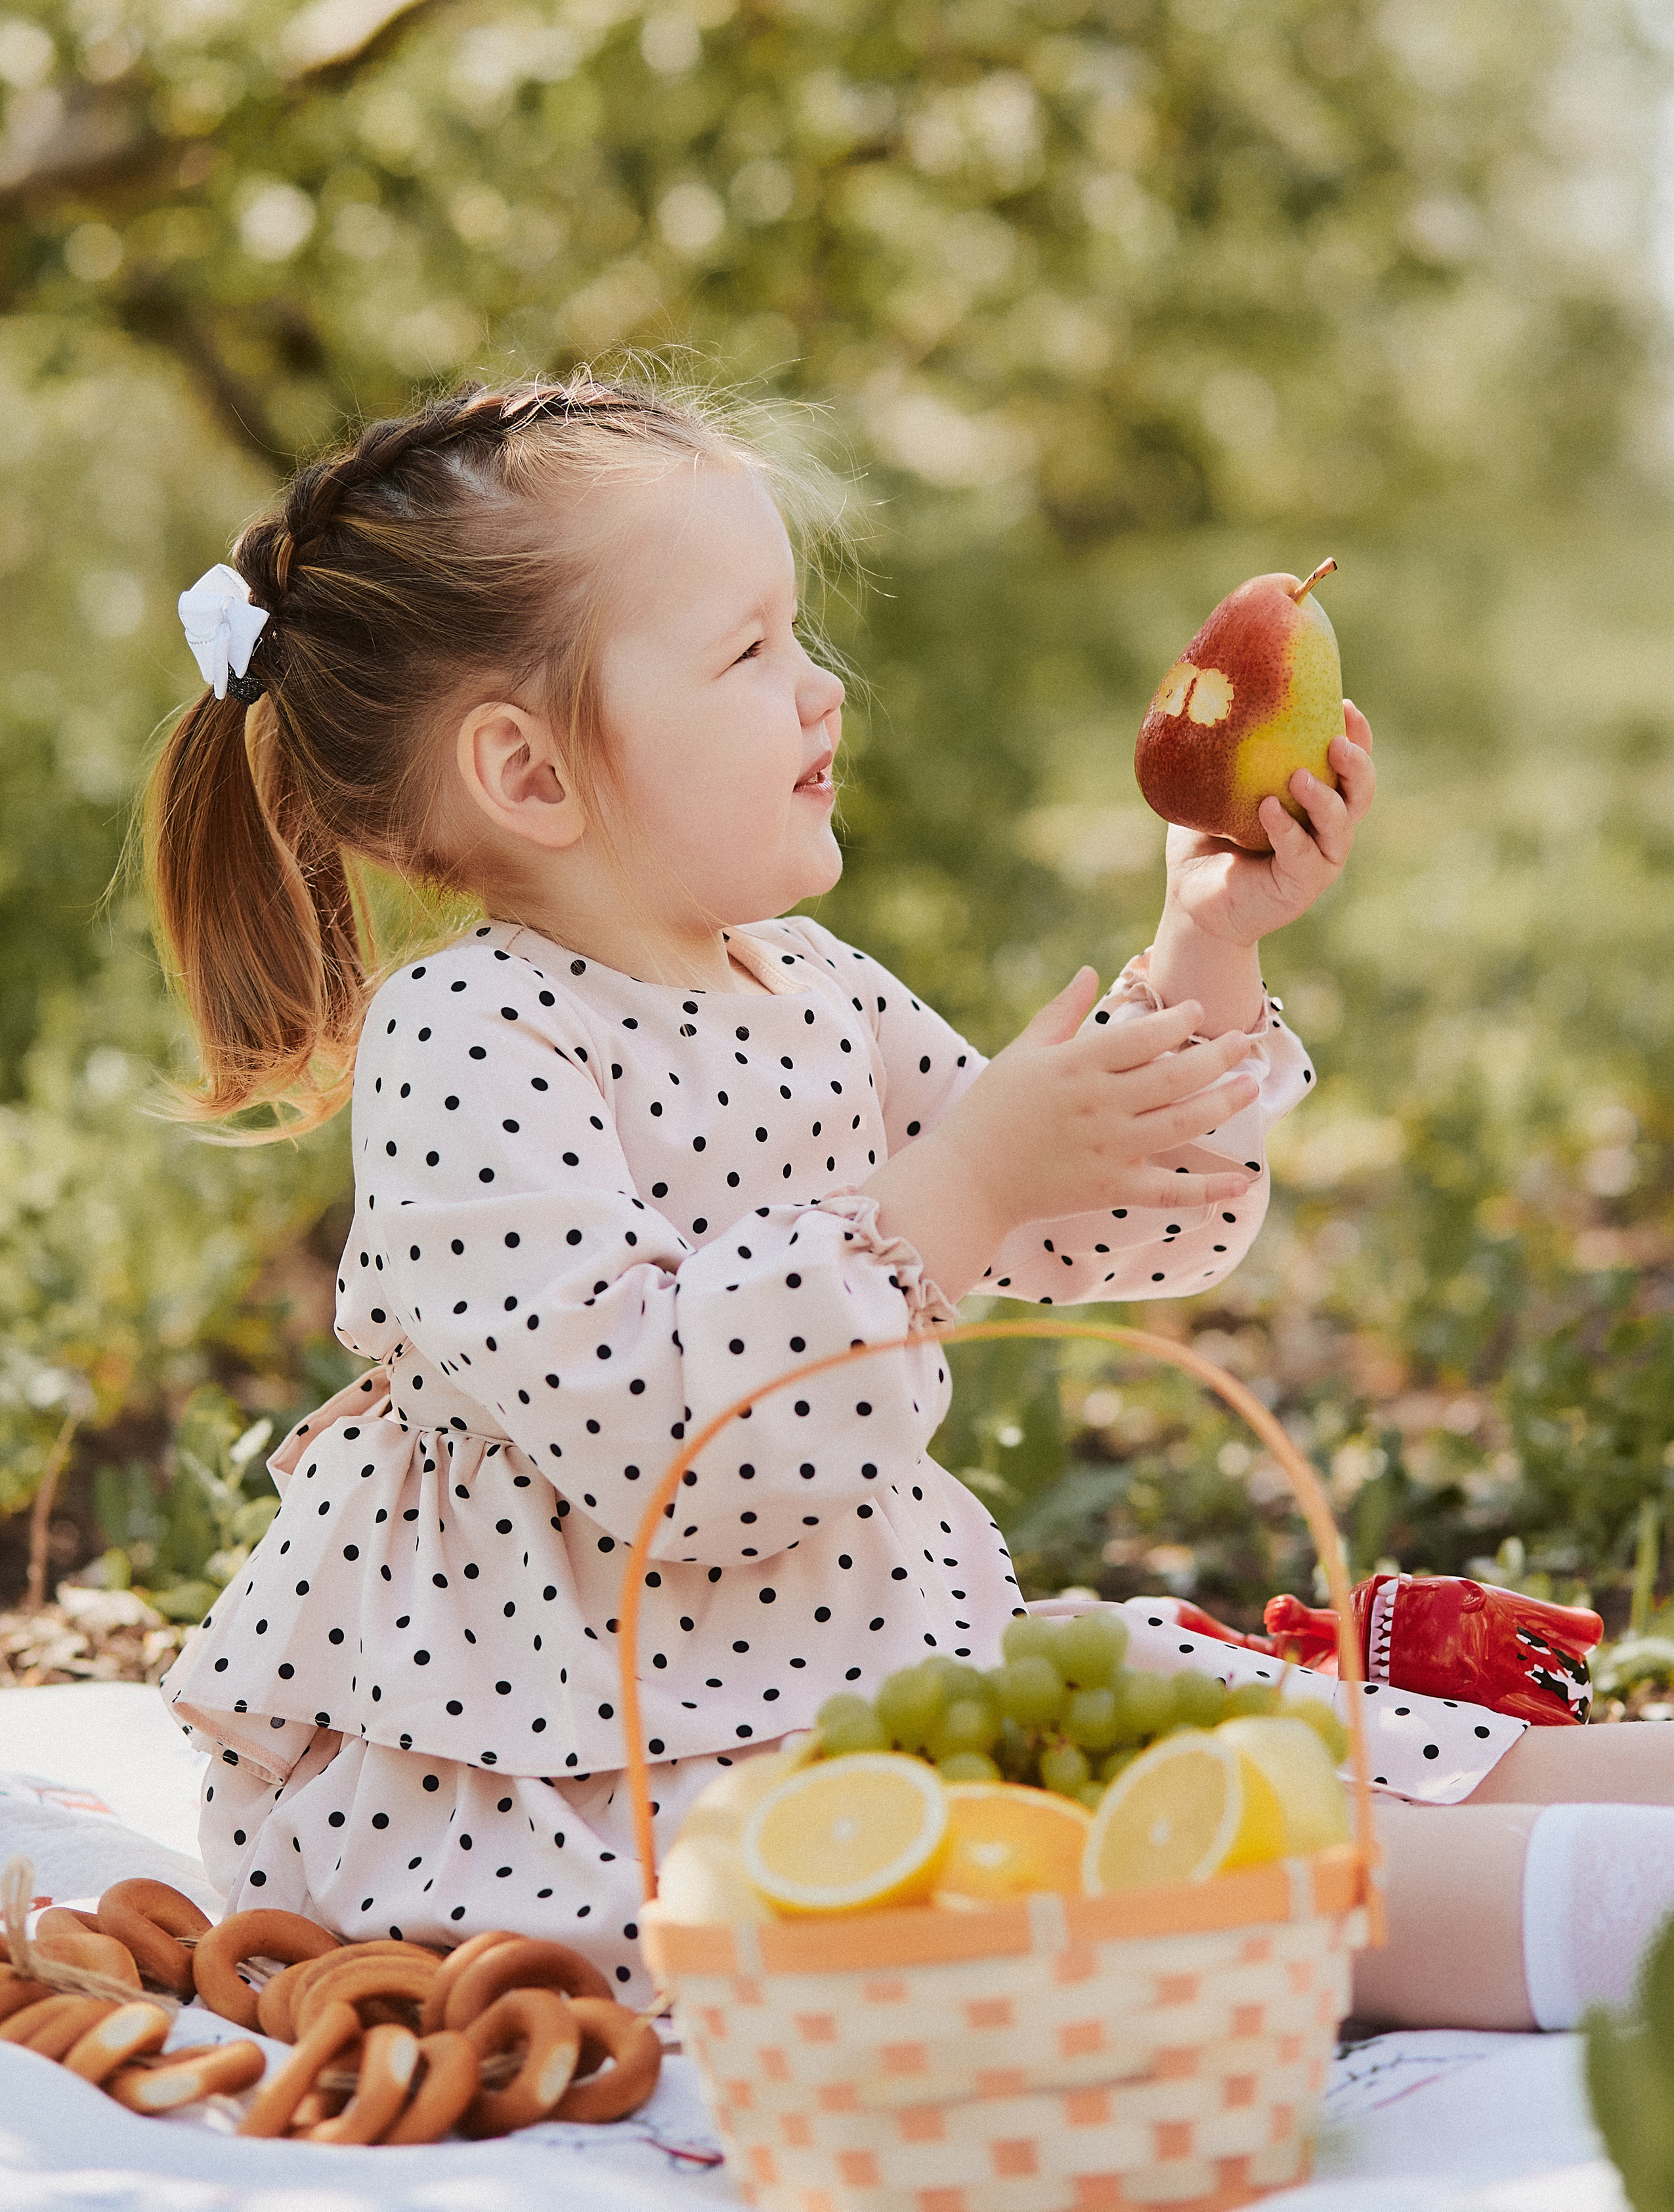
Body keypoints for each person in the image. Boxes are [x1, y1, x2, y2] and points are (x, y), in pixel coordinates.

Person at [149, 374, 1373, 1985]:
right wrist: (960, 1184)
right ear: (528, 774)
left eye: (795, 637)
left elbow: (1118, 1221)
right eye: (747, 654)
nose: (821, 691)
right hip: (593, 1759)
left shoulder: (811, 987)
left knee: (1332, 1767)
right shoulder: (471, 1035)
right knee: (1225, 1876)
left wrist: (1203, 943)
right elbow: (670, 1454)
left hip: (845, 1664)